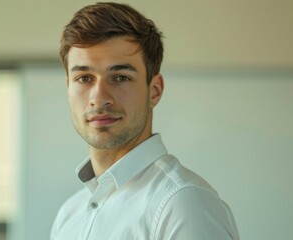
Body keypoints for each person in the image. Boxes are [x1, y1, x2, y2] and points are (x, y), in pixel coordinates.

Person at [51, 2, 240, 240]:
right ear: (68, 87)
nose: (98, 98)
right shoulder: (70, 214)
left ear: (155, 91)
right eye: (84, 78)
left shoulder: (183, 204)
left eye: (120, 77)